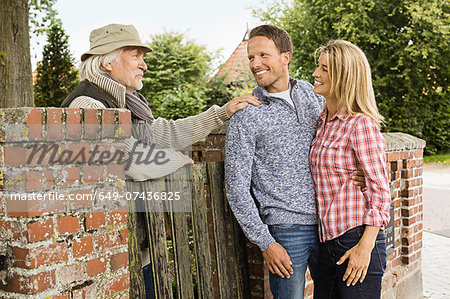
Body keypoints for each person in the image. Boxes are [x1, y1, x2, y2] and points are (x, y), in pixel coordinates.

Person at [61, 23, 261, 298]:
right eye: (136, 56)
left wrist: (221, 113)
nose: (144, 65)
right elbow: (128, 159)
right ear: (107, 62)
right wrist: (174, 161)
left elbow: (166, 132)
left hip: (136, 248)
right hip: (105, 255)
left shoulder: (127, 104)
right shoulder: (87, 105)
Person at [224, 25, 365, 298]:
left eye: (263, 55)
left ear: (285, 57)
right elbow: (236, 187)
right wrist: (265, 243)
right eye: (251, 58)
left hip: (332, 224)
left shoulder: (315, 98)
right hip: (287, 232)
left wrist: (360, 172)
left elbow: (349, 136)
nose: (255, 64)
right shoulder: (246, 115)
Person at [308, 40, 391, 299]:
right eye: (317, 66)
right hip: (326, 244)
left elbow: (380, 188)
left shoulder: (360, 124)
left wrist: (364, 248)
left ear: (344, 77)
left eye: (324, 69)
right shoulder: (323, 122)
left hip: (355, 239)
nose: (315, 74)